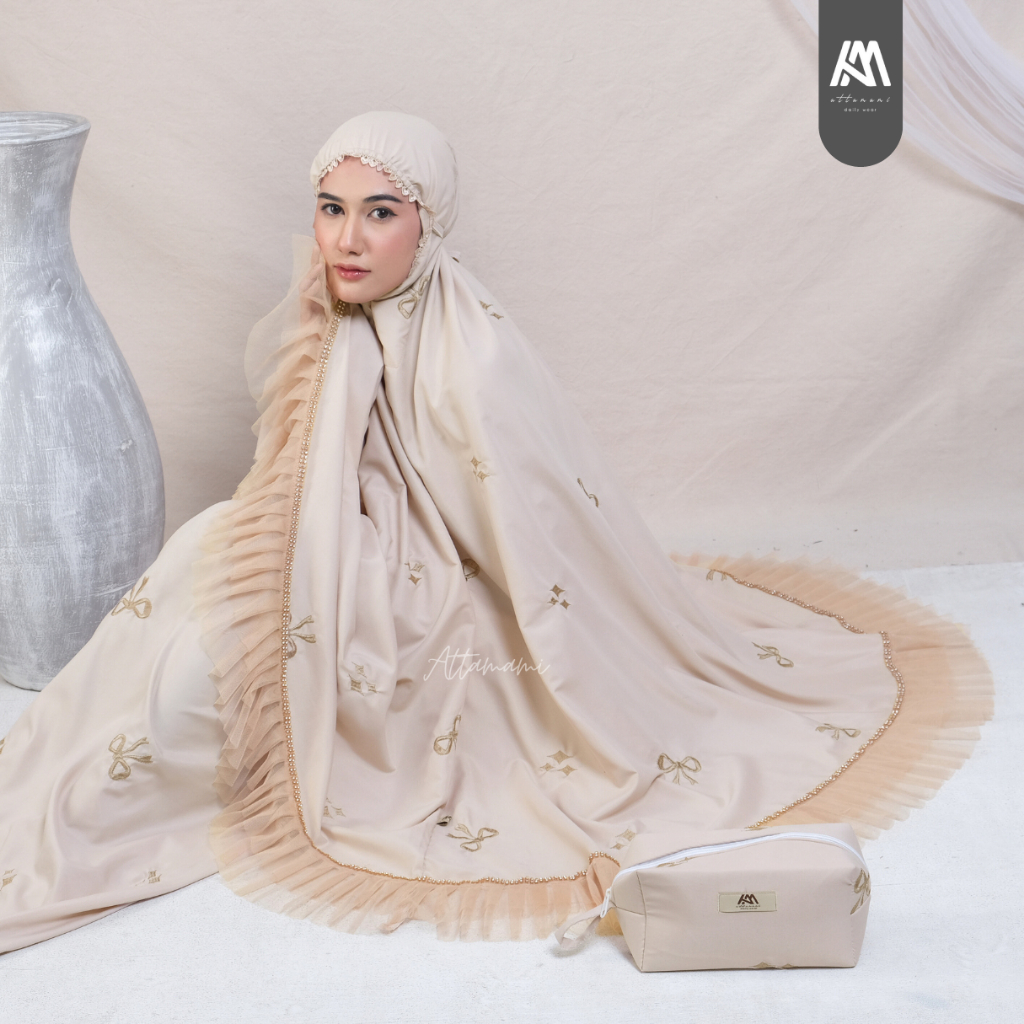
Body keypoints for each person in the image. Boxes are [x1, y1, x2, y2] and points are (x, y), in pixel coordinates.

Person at [0, 112, 992, 951]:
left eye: (379, 212)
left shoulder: (471, 359)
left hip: (442, 590)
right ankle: (74, 783)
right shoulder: (337, 318)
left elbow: (523, 541)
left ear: (426, 223)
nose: (346, 239)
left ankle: (93, 812)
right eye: (332, 208)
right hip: (345, 546)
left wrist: (371, 562)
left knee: (213, 607)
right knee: (205, 562)